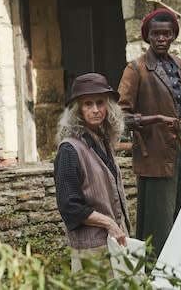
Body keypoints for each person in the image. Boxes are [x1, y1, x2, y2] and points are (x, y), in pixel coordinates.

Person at [117, 8, 181, 256]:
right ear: (147, 37)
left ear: (174, 36)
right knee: (158, 216)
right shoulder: (136, 69)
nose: (161, 39)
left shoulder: (179, 65)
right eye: (156, 34)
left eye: (167, 34)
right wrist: (155, 119)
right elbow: (119, 116)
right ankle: (156, 271)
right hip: (155, 149)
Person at [54, 73, 130, 273]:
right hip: (92, 247)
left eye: (100, 103)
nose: (95, 110)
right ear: (77, 110)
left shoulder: (101, 141)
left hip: (112, 241)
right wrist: (108, 223)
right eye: (88, 104)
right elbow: (70, 206)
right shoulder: (69, 149)